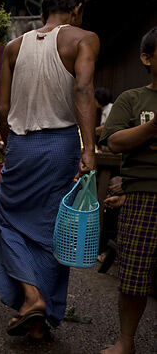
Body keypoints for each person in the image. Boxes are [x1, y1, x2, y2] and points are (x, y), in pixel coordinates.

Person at [0, 0, 99, 340]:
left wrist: (10, 140)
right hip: (61, 145)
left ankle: (32, 302)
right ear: (76, 9)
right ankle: (39, 309)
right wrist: (89, 148)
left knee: (6, 221)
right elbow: (83, 90)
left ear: (45, 8)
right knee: (51, 229)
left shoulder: (14, 47)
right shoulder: (84, 38)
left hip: (21, 146)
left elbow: (1, 107)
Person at [100, 27, 157, 354]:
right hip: (142, 194)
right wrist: (151, 127)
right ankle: (126, 340)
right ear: (147, 58)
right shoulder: (133, 99)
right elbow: (115, 140)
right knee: (134, 274)